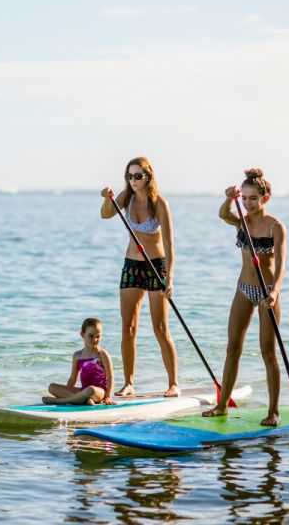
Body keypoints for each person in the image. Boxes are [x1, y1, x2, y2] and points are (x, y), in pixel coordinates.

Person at [202, 168, 287, 426]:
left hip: (266, 293)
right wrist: (229, 198)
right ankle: (221, 406)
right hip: (243, 289)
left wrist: (274, 292)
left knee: (268, 352)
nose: (248, 203)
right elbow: (222, 214)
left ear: (265, 198)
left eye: (253, 198)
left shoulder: (275, 226)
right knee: (232, 349)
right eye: (245, 198)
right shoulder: (242, 220)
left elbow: (282, 265)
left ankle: (273, 411)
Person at [100, 157, 180, 398]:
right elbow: (106, 215)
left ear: (148, 177)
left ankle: (173, 383)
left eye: (137, 176)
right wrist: (108, 199)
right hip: (132, 266)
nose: (133, 180)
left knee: (160, 327)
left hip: (157, 267)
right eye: (129, 176)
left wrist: (170, 278)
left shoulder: (160, 204)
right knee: (128, 327)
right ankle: (129, 383)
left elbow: (169, 243)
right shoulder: (126, 196)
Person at [43, 318, 115, 405]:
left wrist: (107, 397)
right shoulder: (77, 356)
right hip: (83, 391)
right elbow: (73, 379)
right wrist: (65, 391)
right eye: (91, 336)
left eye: (98, 336)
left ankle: (61, 401)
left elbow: (110, 378)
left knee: (90, 389)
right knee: (52, 387)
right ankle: (83, 400)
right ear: (82, 335)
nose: (95, 340)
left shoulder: (102, 354)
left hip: (98, 392)